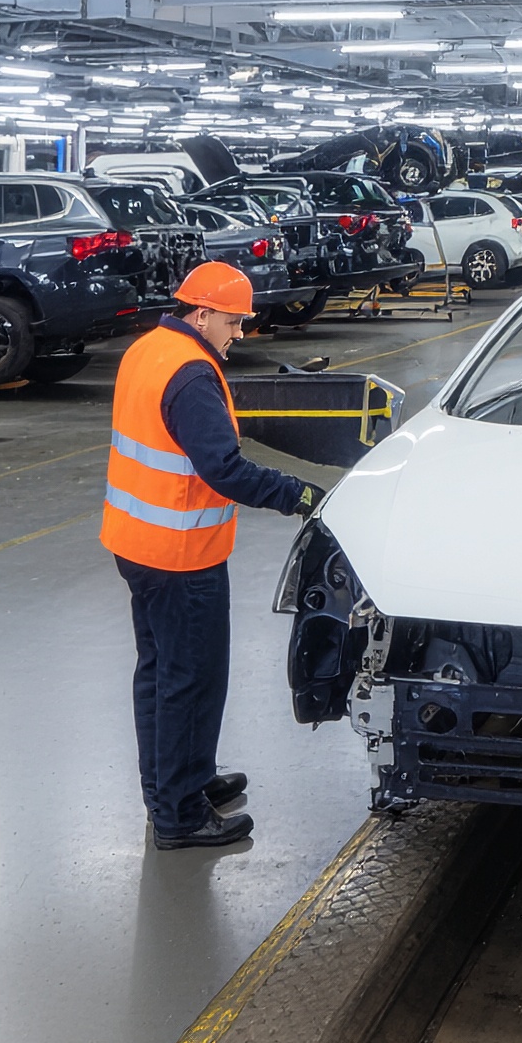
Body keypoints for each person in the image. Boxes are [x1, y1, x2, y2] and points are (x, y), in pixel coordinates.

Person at [102, 261, 323, 850]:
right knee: (189, 681)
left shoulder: (149, 349)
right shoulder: (194, 375)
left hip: (139, 544)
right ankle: (177, 816)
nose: (239, 334)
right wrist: (295, 493)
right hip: (180, 554)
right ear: (202, 313)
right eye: (233, 321)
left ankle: (182, 784)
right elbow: (223, 468)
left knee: (162, 675)